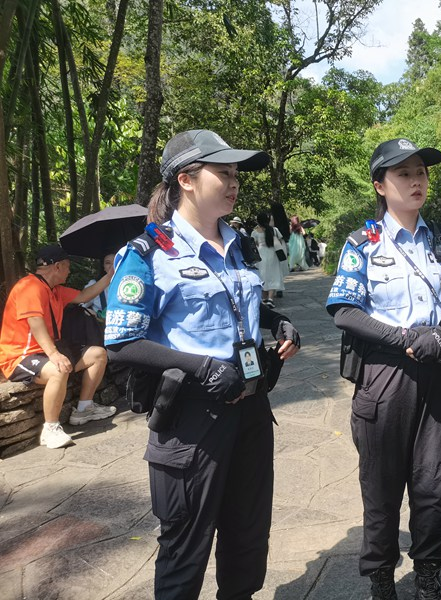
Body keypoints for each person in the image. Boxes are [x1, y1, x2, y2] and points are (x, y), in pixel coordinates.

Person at [103, 129, 302, 600]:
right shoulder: (148, 252)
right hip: (192, 419)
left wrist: (278, 322)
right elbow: (121, 341)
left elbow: (236, 306)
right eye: (224, 173)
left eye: (236, 175)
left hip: (252, 411)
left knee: (248, 534)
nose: (234, 183)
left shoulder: (237, 245)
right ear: (187, 179)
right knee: (185, 543)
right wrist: (203, 368)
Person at [326, 138, 441, 600]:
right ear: (380, 185)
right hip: (385, 376)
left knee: (434, 480)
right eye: (403, 174)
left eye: (421, 171)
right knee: (381, 483)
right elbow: (344, 310)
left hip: (438, 370)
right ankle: (380, 578)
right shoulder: (362, 245)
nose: (416, 180)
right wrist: (403, 338)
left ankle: (428, 573)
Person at [0, 244, 116, 449]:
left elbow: (84, 296)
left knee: (98, 354)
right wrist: (54, 354)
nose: (69, 270)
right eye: (68, 266)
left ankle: (84, 408)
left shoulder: (55, 290)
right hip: (19, 355)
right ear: (58, 266)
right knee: (58, 369)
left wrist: (110, 275)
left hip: (46, 352)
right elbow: (35, 322)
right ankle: (50, 429)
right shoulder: (29, 286)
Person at [251, 211, 285, 307]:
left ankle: (264, 298)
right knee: (273, 274)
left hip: (261, 254)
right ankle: (270, 299)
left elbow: (254, 244)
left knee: (262, 275)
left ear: (258, 221)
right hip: (272, 253)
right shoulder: (274, 230)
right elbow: (280, 241)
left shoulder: (255, 232)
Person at [83, 253, 115, 322]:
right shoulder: (94, 284)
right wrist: (94, 315)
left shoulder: (129, 284)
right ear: (104, 267)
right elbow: (82, 307)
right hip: (101, 329)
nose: (112, 266)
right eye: (108, 263)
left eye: (115, 262)